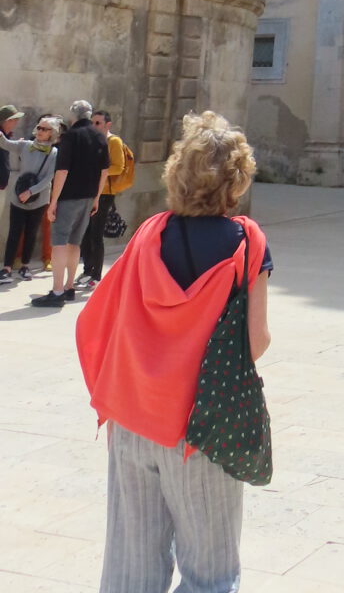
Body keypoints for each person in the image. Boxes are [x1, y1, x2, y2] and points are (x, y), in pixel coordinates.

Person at [75, 110, 272, 593]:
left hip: (131, 417)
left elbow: (96, 318)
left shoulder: (149, 232)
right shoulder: (246, 242)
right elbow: (256, 341)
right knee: (210, 572)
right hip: (198, 428)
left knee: (130, 567)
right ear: (238, 179)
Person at [32, 100, 110, 308]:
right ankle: (68, 287)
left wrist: (53, 200)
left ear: (73, 116)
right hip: (88, 197)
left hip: (68, 197)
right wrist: (96, 198)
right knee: (74, 243)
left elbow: (62, 171)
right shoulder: (99, 137)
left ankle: (57, 291)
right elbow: (104, 171)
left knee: (58, 243)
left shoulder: (70, 137)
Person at [1, 115, 59, 283]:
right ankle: (7, 268)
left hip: (39, 199)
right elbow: (6, 143)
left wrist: (31, 191)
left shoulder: (54, 153)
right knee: (14, 232)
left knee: (31, 233)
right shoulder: (26, 145)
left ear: (52, 133)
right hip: (18, 197)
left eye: (45, 129)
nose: (40, 131)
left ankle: (25, 266)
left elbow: (49, 178)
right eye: (39, 127)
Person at [79, 109, 133, 287]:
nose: (93, 126)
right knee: (84, 233)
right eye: (92, 123)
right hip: (88, 191)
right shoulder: (92, 140)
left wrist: (96, 170)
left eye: (98, 123)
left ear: (107, 125)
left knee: (96, 234)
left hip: (105, 193)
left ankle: (96, 274)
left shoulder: (113, 141)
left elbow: (118, 167)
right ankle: (87, 270)